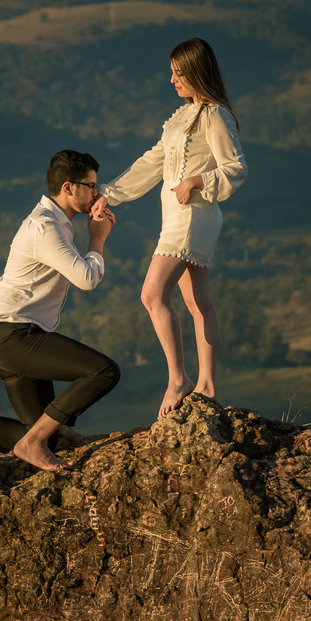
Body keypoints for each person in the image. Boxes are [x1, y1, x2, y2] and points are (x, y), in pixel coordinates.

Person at [0, 150, 121, 472]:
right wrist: (97, 240)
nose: (97, 194)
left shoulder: (57, 224)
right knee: (103, 372)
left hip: (8, 339)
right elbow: (86, 280)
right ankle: (31, 443)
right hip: (14, 336)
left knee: (47, 436)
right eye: (91, 186)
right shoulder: (46, 228)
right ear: (68, 188)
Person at [92, 37, 247, 417]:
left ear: (197, 73)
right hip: (175, 218)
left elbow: (236, 168)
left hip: (195, 216)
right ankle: (207, 385)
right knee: (197, 302)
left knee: (151, 294)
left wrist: (196, 181)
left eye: (179, 74)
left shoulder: (214, 115)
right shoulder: (181, 117)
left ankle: (178, 379)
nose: (172, 80)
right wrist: (109, 193)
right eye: (172, 73)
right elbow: (151, 163)